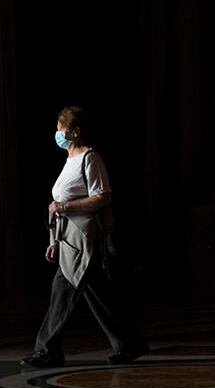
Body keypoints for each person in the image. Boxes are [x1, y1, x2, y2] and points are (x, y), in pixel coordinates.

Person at [20, 106, 149, 368]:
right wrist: (53, 240)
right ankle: (129, 344)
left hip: (83, 241)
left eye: (61, 128)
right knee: (99, 293)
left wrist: (64, 207)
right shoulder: (70, 160)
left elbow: (103, 197)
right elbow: (59, 204)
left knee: (62, 291)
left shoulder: (90, 158)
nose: (57, 133)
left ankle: (47, 350)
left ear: (75, 131)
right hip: (69, 240)